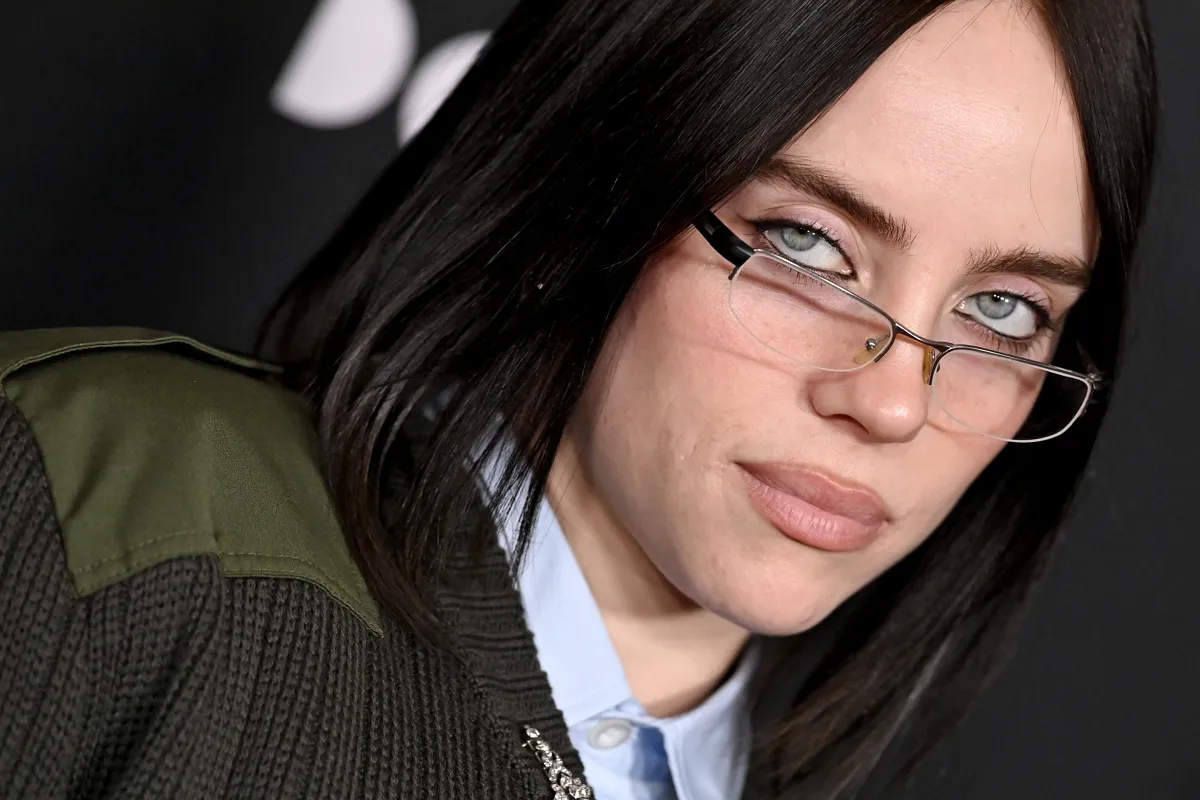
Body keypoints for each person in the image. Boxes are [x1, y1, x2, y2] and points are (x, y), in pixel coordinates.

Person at [0, 0, 1158, 797]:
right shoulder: (116, 516)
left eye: (1002, 310)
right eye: (806, 243)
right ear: (595, 187)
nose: (894, 400)